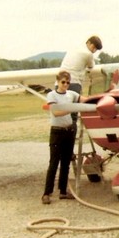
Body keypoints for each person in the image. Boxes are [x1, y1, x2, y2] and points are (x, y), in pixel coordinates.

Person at [42, 71, 88, 204]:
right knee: (53, 163)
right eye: (63, 82)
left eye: (68, 82)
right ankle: (46, 193)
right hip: (57, 132)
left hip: (69, 131)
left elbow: (86, 100)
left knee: (66, 163)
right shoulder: (51, 94)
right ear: (58, 81)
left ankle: (62, 191)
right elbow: (55, 112)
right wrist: (73, 108)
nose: (66, 85)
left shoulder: (72, 94)